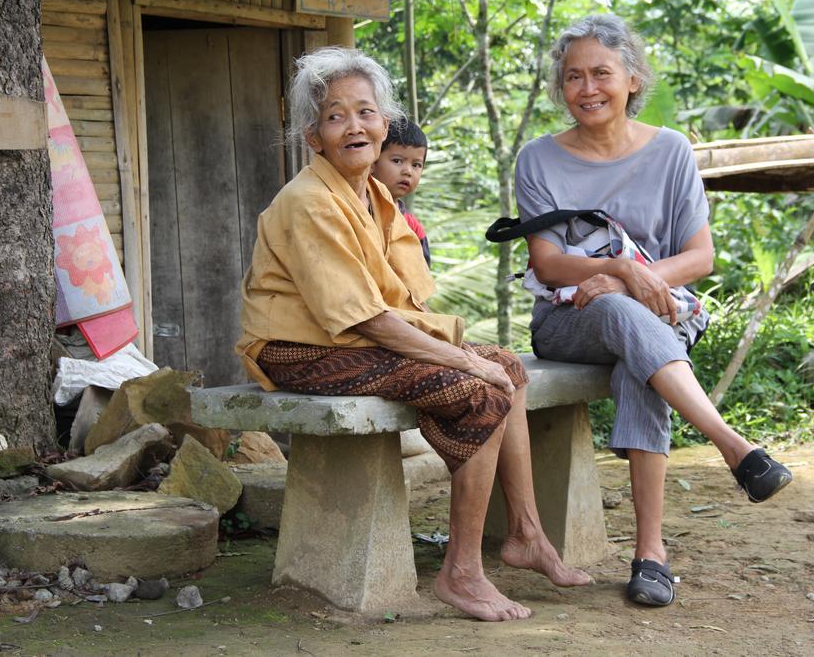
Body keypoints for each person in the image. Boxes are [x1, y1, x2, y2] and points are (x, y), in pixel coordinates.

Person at [236, 47, 591, 622]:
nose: (354, 126)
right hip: (299, 351)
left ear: (384, 121)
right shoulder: (307, 201)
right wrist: (466, 363)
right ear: (313, 136)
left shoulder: (373, 194)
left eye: (366, 112)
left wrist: (474, 355)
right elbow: (365, 319)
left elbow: (404, 297)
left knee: (508, 366)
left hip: (352, 341)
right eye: (335, 116)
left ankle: (526, 532)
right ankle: (462, 573)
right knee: (482, 388)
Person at [514, 14, 793, 608]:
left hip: (658, 312)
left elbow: (699, 258)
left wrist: (632, 278)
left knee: (636, 355)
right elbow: (548, 265)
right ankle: (733, 446)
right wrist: (615, 271)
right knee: (619, 314)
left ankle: (650, 556)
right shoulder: (538, 160)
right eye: (572, 77)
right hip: (567, 321)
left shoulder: (671, 151)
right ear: (560, 89)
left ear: (633, 80)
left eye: (601, 73)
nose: (587, 88)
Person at [372, 117, 432, 266]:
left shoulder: (412, 227)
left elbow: (421, 276)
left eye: (416, 165)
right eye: (397, 161)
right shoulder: (358, 207)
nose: (408, 171)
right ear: (373, 161)